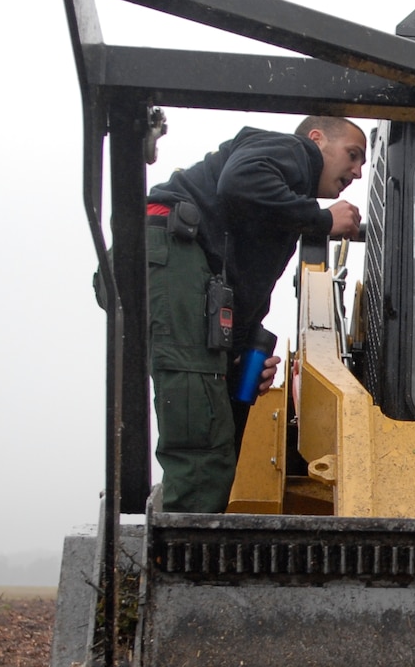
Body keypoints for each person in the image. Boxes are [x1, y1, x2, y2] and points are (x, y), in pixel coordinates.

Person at [144, 116, 365, 512]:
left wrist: (240, 354)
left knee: (218, 423)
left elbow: (245, 283)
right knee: (202, 430)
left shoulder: (277, 213)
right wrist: (323, 219)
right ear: (316, 139)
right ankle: (185, 562)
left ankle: (189, 539)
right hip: (172, 252)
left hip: (183, 269)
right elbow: (240, 181)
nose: (358, 172)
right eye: (352, 155)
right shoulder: (295, 152)